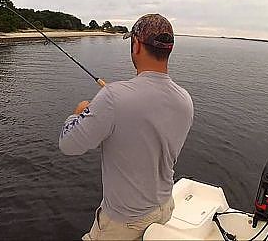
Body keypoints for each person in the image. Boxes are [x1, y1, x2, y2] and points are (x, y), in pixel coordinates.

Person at [59, 14, 194, 240]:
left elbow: (68, 144)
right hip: (164, 209)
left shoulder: (113, 97)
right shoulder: (185, 99)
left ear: (136, 45)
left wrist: (79, 112)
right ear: (169, 49)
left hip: (124, 222)